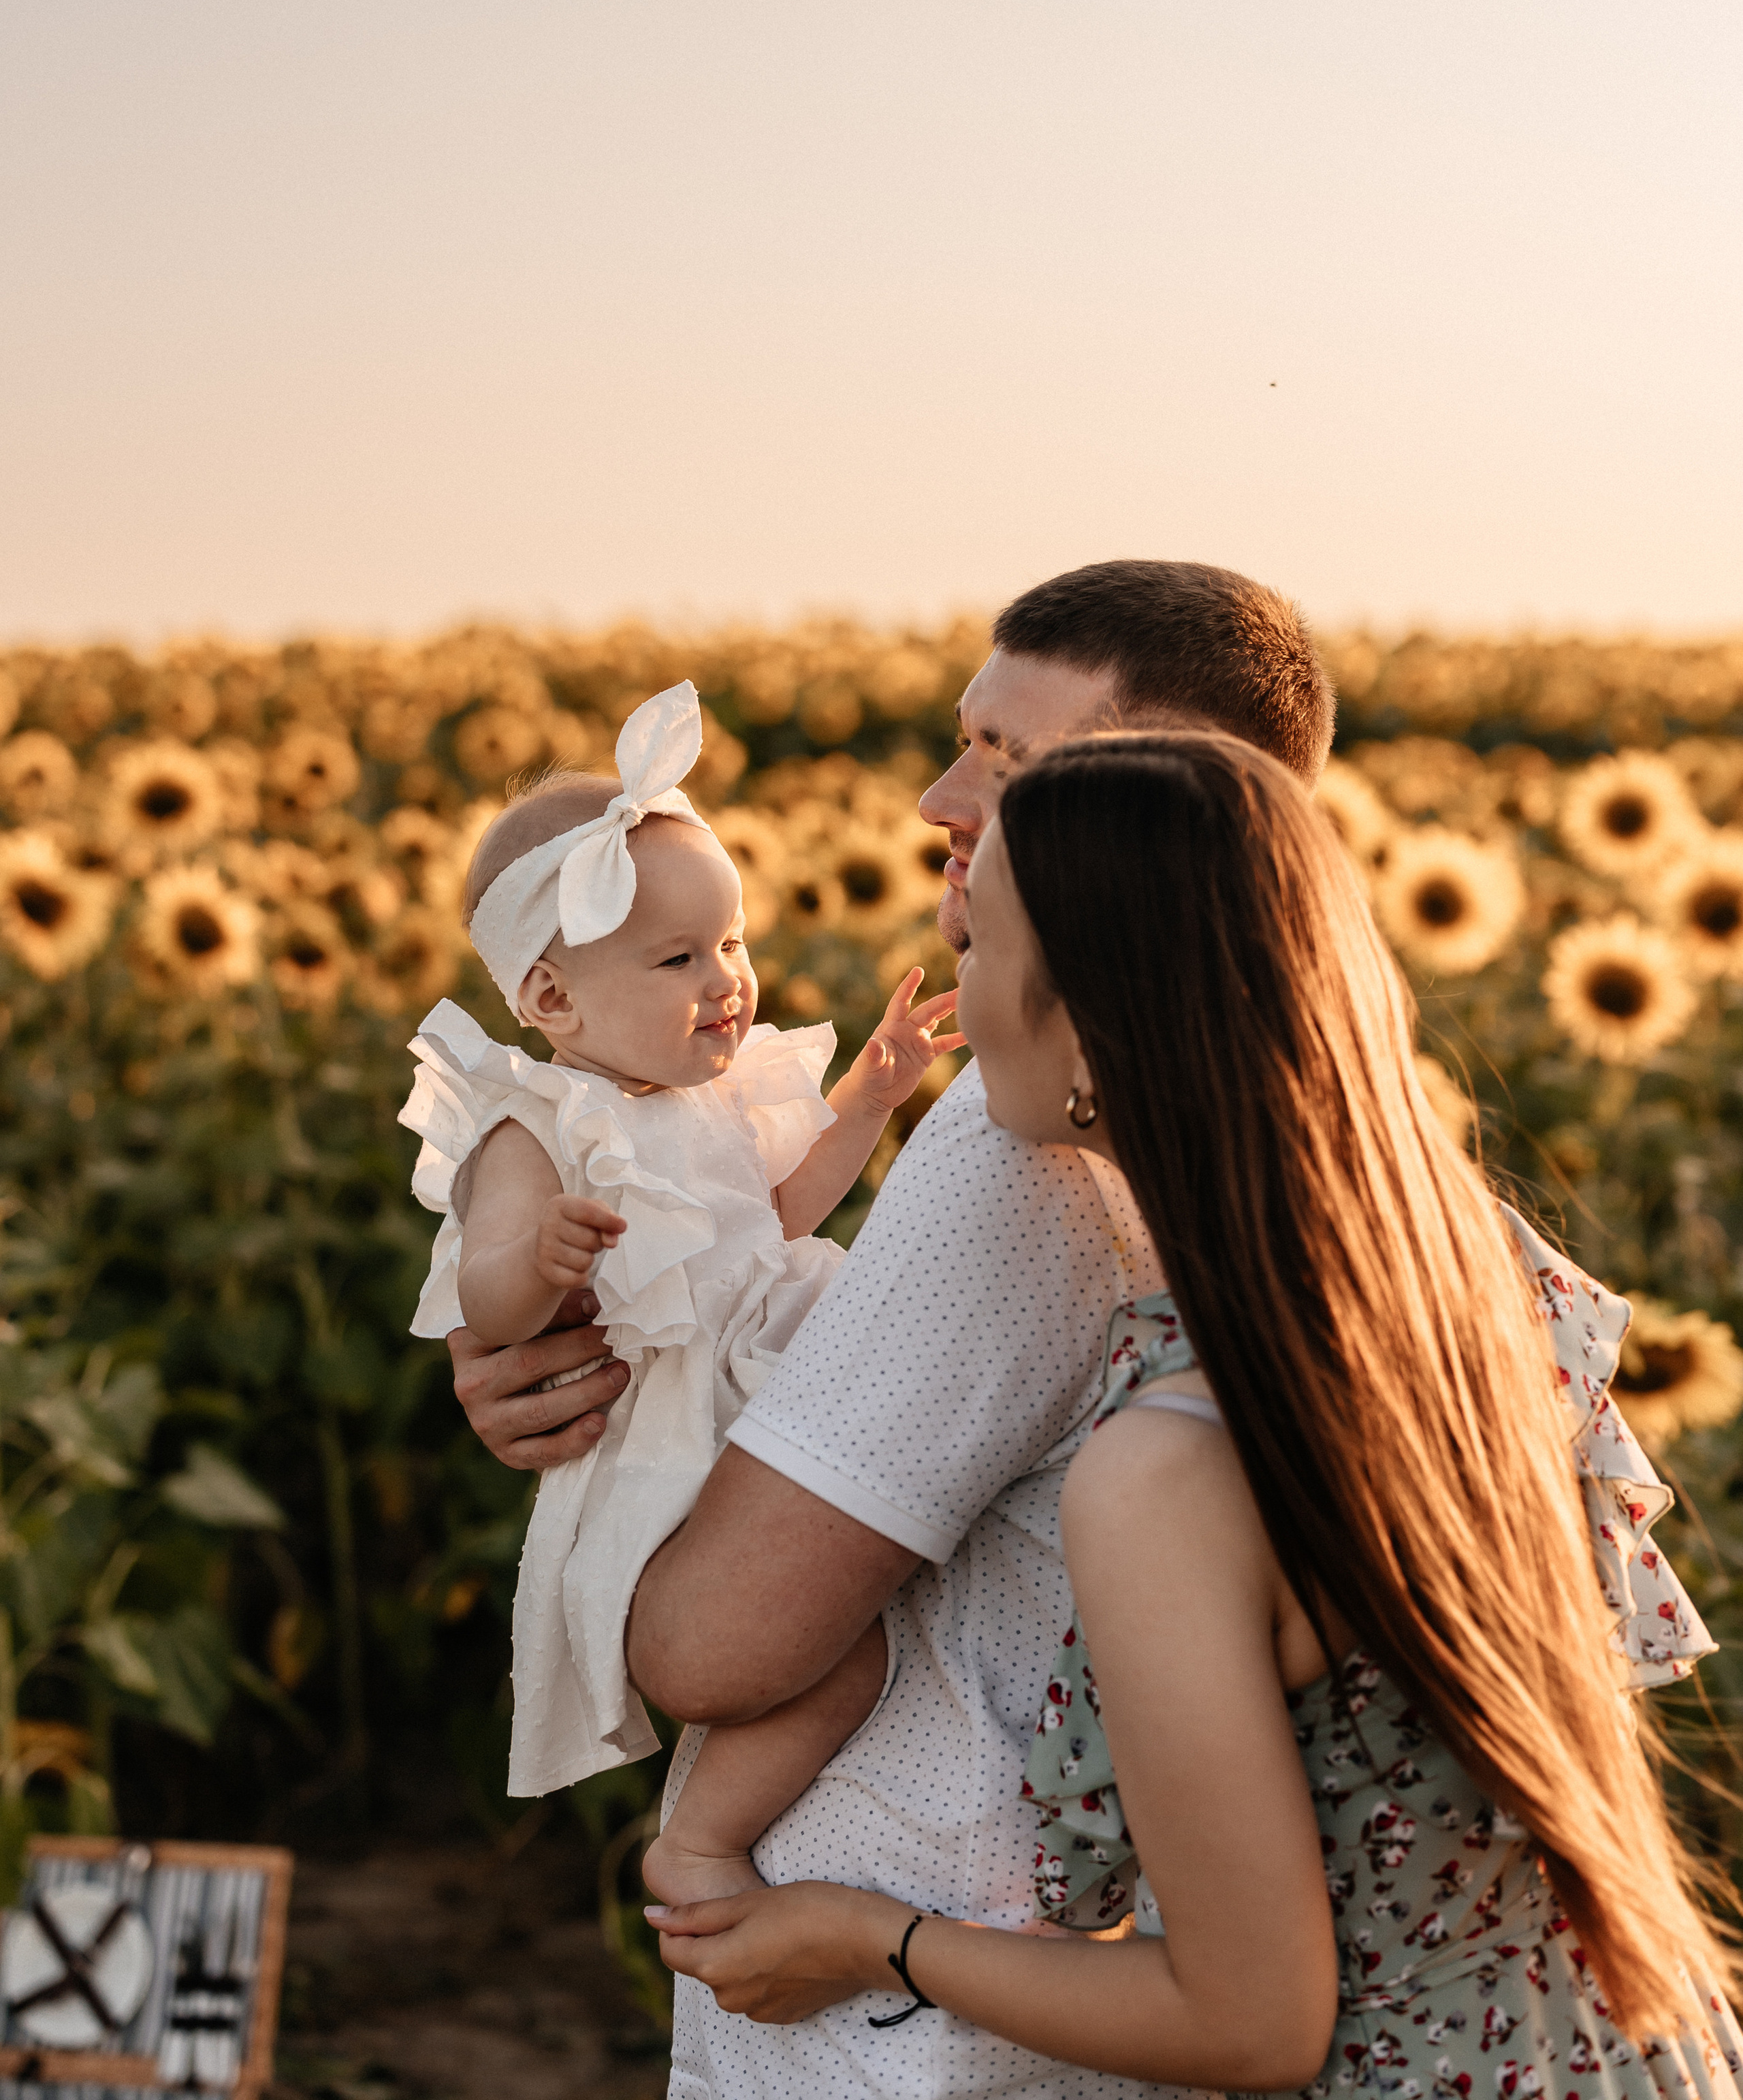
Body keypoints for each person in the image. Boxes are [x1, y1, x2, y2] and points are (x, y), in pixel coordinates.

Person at [649, 731, 1739, 2096]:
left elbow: (1245, 2020)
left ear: (1088, 1030)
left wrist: (875, 1940)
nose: (958, 987)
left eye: (978, 948)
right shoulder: (1437, 1294)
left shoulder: (1170, 1467)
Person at [450, 560, 1340, 2100]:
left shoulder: (1020, 1155)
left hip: (919, 2031)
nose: (937, 798)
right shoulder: (1324, 1136)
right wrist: (577, 1339)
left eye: (1004, 763)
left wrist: (628, 1454)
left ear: (1168, 803)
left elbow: (705, 1643)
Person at [400, 678, 959, 1838]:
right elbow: (485, 1298)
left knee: (867, 1630)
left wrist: (866, 1097)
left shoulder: (716, 1102)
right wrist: (541, 1256)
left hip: (774, 1372)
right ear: (552, 997)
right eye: (676, 961)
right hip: (679, 1429)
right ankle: (698, 1838)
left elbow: (787, 1211)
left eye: (732, 943)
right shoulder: (538, 1127)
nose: (726, 983)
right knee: (793, 1646)